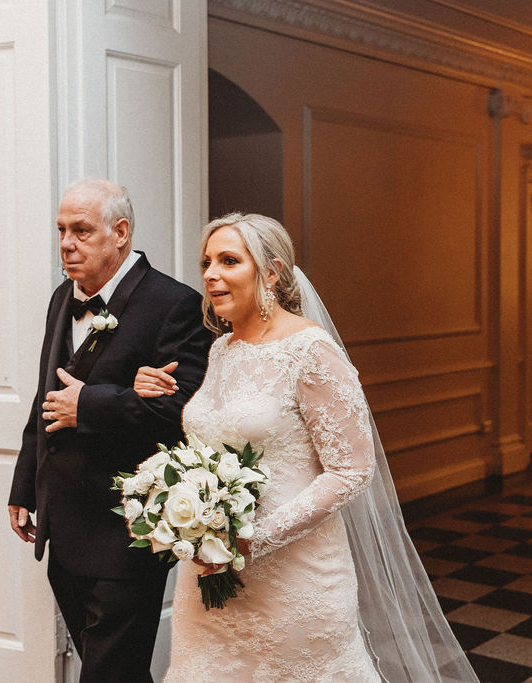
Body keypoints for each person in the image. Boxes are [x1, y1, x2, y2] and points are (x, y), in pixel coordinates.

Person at [132, 213, 479, 682]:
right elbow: (215, 439)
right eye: (206, 262)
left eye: (229, 260)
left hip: (294, 584)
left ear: (271, 272)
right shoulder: (221, 350)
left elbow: (352, 470)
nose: (211, 274)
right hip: (210, 580)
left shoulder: (310, 351)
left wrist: (253, 539)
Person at [7, 180, 212, 682]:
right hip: (64, 525)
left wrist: (90, 405)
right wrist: (24, 482)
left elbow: (185, 412)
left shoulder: (175, 304)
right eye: (61, 231)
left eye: (81, 230)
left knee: (108, 674)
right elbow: (44, 396)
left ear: (120, 233)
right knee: (114, 673)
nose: (66, 244)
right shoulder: (62, 299)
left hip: (126, 531)